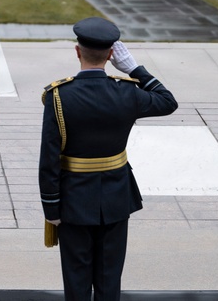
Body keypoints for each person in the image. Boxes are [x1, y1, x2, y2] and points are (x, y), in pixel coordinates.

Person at [38, 17, 178, 301]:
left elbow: (49, 158)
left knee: (76, 282)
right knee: (109, 280)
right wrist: (135, 69)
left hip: (73, 199)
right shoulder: (127, 92)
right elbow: (167, 101)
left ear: (77, 52)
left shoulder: (59, 97)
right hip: (115, 197)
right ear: (112, 55)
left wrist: (51, 207)